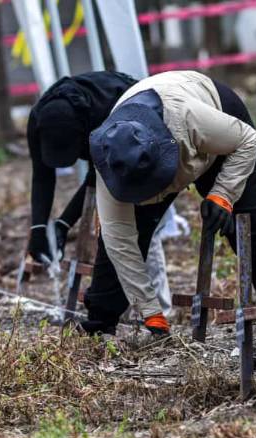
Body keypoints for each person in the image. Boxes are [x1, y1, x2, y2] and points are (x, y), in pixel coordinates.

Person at [87, 70, 256, 357]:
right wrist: (150, 312)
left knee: (251, 229)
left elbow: (248, 140)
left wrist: (223, 195)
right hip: (153, 155)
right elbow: (118, 239)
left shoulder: (188, 117)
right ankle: (99, 325)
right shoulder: (112, 159)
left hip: (223, 131)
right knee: (116, 242)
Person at [26, 71, 176, 327]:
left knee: (140, 220)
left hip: (140, 135)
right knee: (113, 230)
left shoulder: (105, 116)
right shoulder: (38, 120)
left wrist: (64, 222)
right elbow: (42, 176)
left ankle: (157, 311)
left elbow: (97, 175)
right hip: (102, 137)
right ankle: (124, 306)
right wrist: (39, 228)